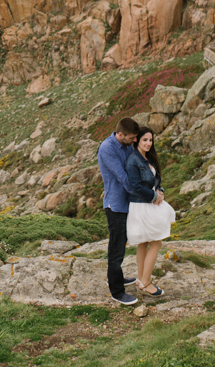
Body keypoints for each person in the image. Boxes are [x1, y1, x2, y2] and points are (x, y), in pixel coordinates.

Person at [97, 117, 143, 305]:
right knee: (116, 249)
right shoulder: (107, 148)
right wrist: (145, 193)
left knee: (121, 244)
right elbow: (124, 178)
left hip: (126, 203)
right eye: (132, 138)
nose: (135, 141)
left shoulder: (127, 145)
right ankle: (117, 292)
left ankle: (114, 276)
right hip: (115, 205)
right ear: (120, 134)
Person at [126, 127, 176, 297]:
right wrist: (154, 195)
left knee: (144, 242)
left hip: (149, 203)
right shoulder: (133, 161)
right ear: (137, 140)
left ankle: (141, 279)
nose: (148, 143)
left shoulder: (148, 159)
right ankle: (146, 283)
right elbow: (136, 187)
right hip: (141, 205)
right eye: (145, 140)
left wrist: (159, 191)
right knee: (156, 243)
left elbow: (156, 180)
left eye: (150, 140)